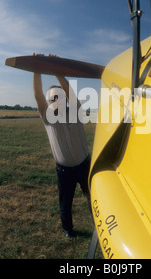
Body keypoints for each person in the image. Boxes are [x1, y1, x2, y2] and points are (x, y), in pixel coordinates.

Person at [33, 73, 91, 239]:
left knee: (93, 195)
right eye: (53, 98)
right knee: (66, 202)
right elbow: (38, 96)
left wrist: (57, 72)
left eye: (60, 96)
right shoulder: (47, 117)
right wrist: (36, 71)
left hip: (84, 164)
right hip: (64, 170)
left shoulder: (76, 110)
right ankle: (68, 230)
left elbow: (71, 94)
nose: (57, 100)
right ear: (50, 101)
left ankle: (99, 223)